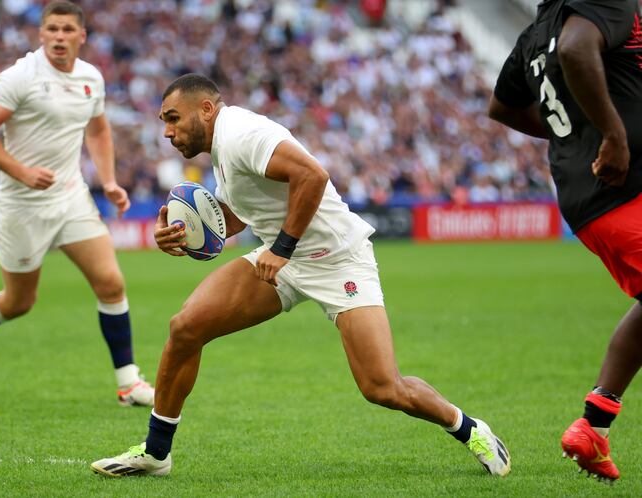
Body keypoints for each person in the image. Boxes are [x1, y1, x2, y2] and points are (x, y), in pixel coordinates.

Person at [89, 73, 511, 477]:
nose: (166, 131)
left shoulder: (241, 133)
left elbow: (313, 175)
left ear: (205, 109)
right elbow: (238, 216)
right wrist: (183, 236)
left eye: (172, 118)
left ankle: (468, 428)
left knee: (382, 386)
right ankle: (156, 452)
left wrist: (281, 248)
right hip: (284, 257)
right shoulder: (223, 147)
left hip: (337, 258)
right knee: (186, 327)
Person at [0, 1, 154, 407]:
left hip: (70, 196)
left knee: (111, 283)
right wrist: (21, 172)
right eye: (52, 29)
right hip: (21, 205)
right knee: (19, 302)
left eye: (68, 30)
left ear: (81, 36)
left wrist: (108, 181)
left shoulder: (91, 78)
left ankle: (128, 383)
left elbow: (100, 130)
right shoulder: (21, 77)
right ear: (41, 34)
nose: (59, 36)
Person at [488, 0, 642, 482]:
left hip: (587, 198)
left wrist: (572, 135)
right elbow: (577, 49)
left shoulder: (535, 33)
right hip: (626, 187)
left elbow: (502, 106)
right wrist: (612, 135)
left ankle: (595, 425)